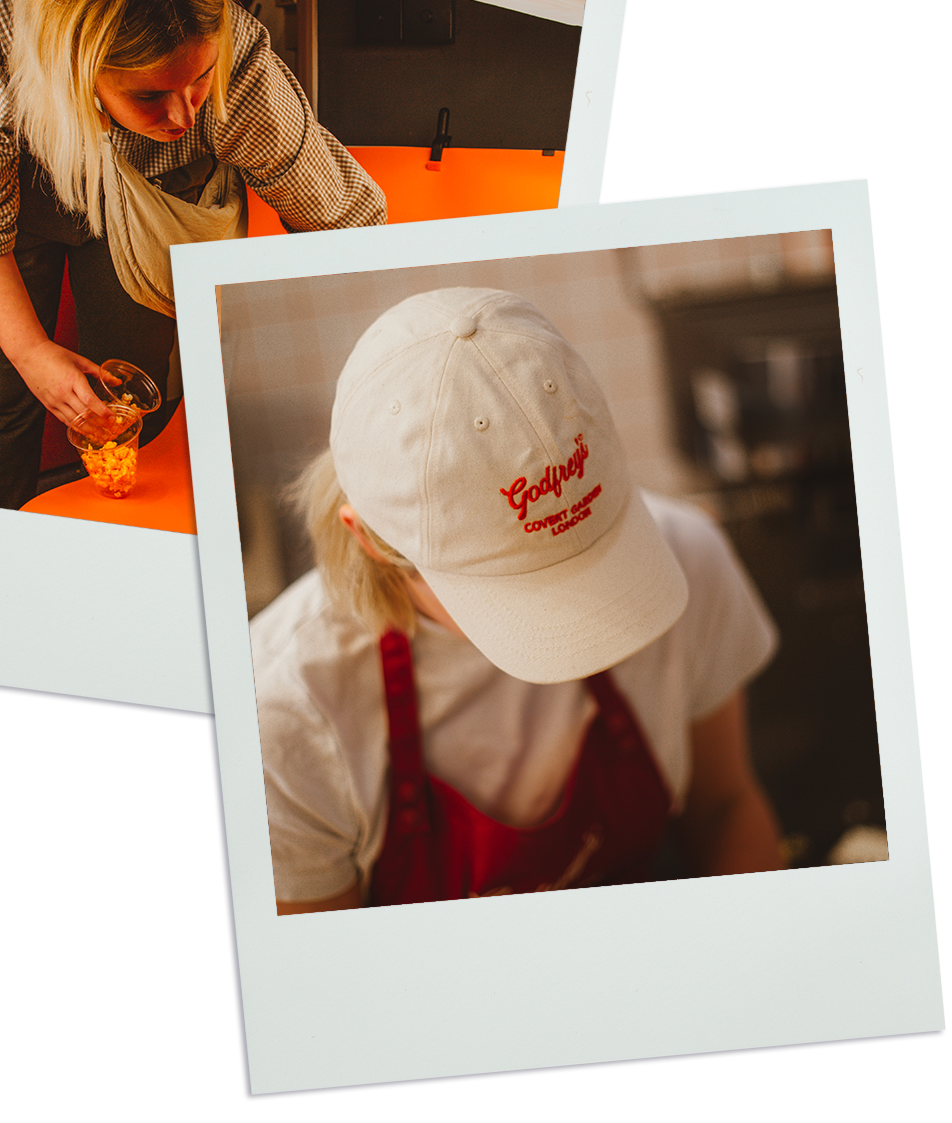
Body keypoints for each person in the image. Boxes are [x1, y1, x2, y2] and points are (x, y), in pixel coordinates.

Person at [250, 287, 786, 913]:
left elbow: (724, 808)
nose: (583, 616)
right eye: (519, 584)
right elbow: (332, 988)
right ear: (369, 538)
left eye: (593, 555)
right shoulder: (282, 713)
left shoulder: (687, 557)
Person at [0, 0, 385, 509]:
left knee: (132, 400)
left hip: (161, 195)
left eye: (198, 82)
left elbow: (344, 221)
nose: (182, 115)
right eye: (149, 95)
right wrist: (32, 352)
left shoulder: (238, 66)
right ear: (74, 69)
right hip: (21, 202)